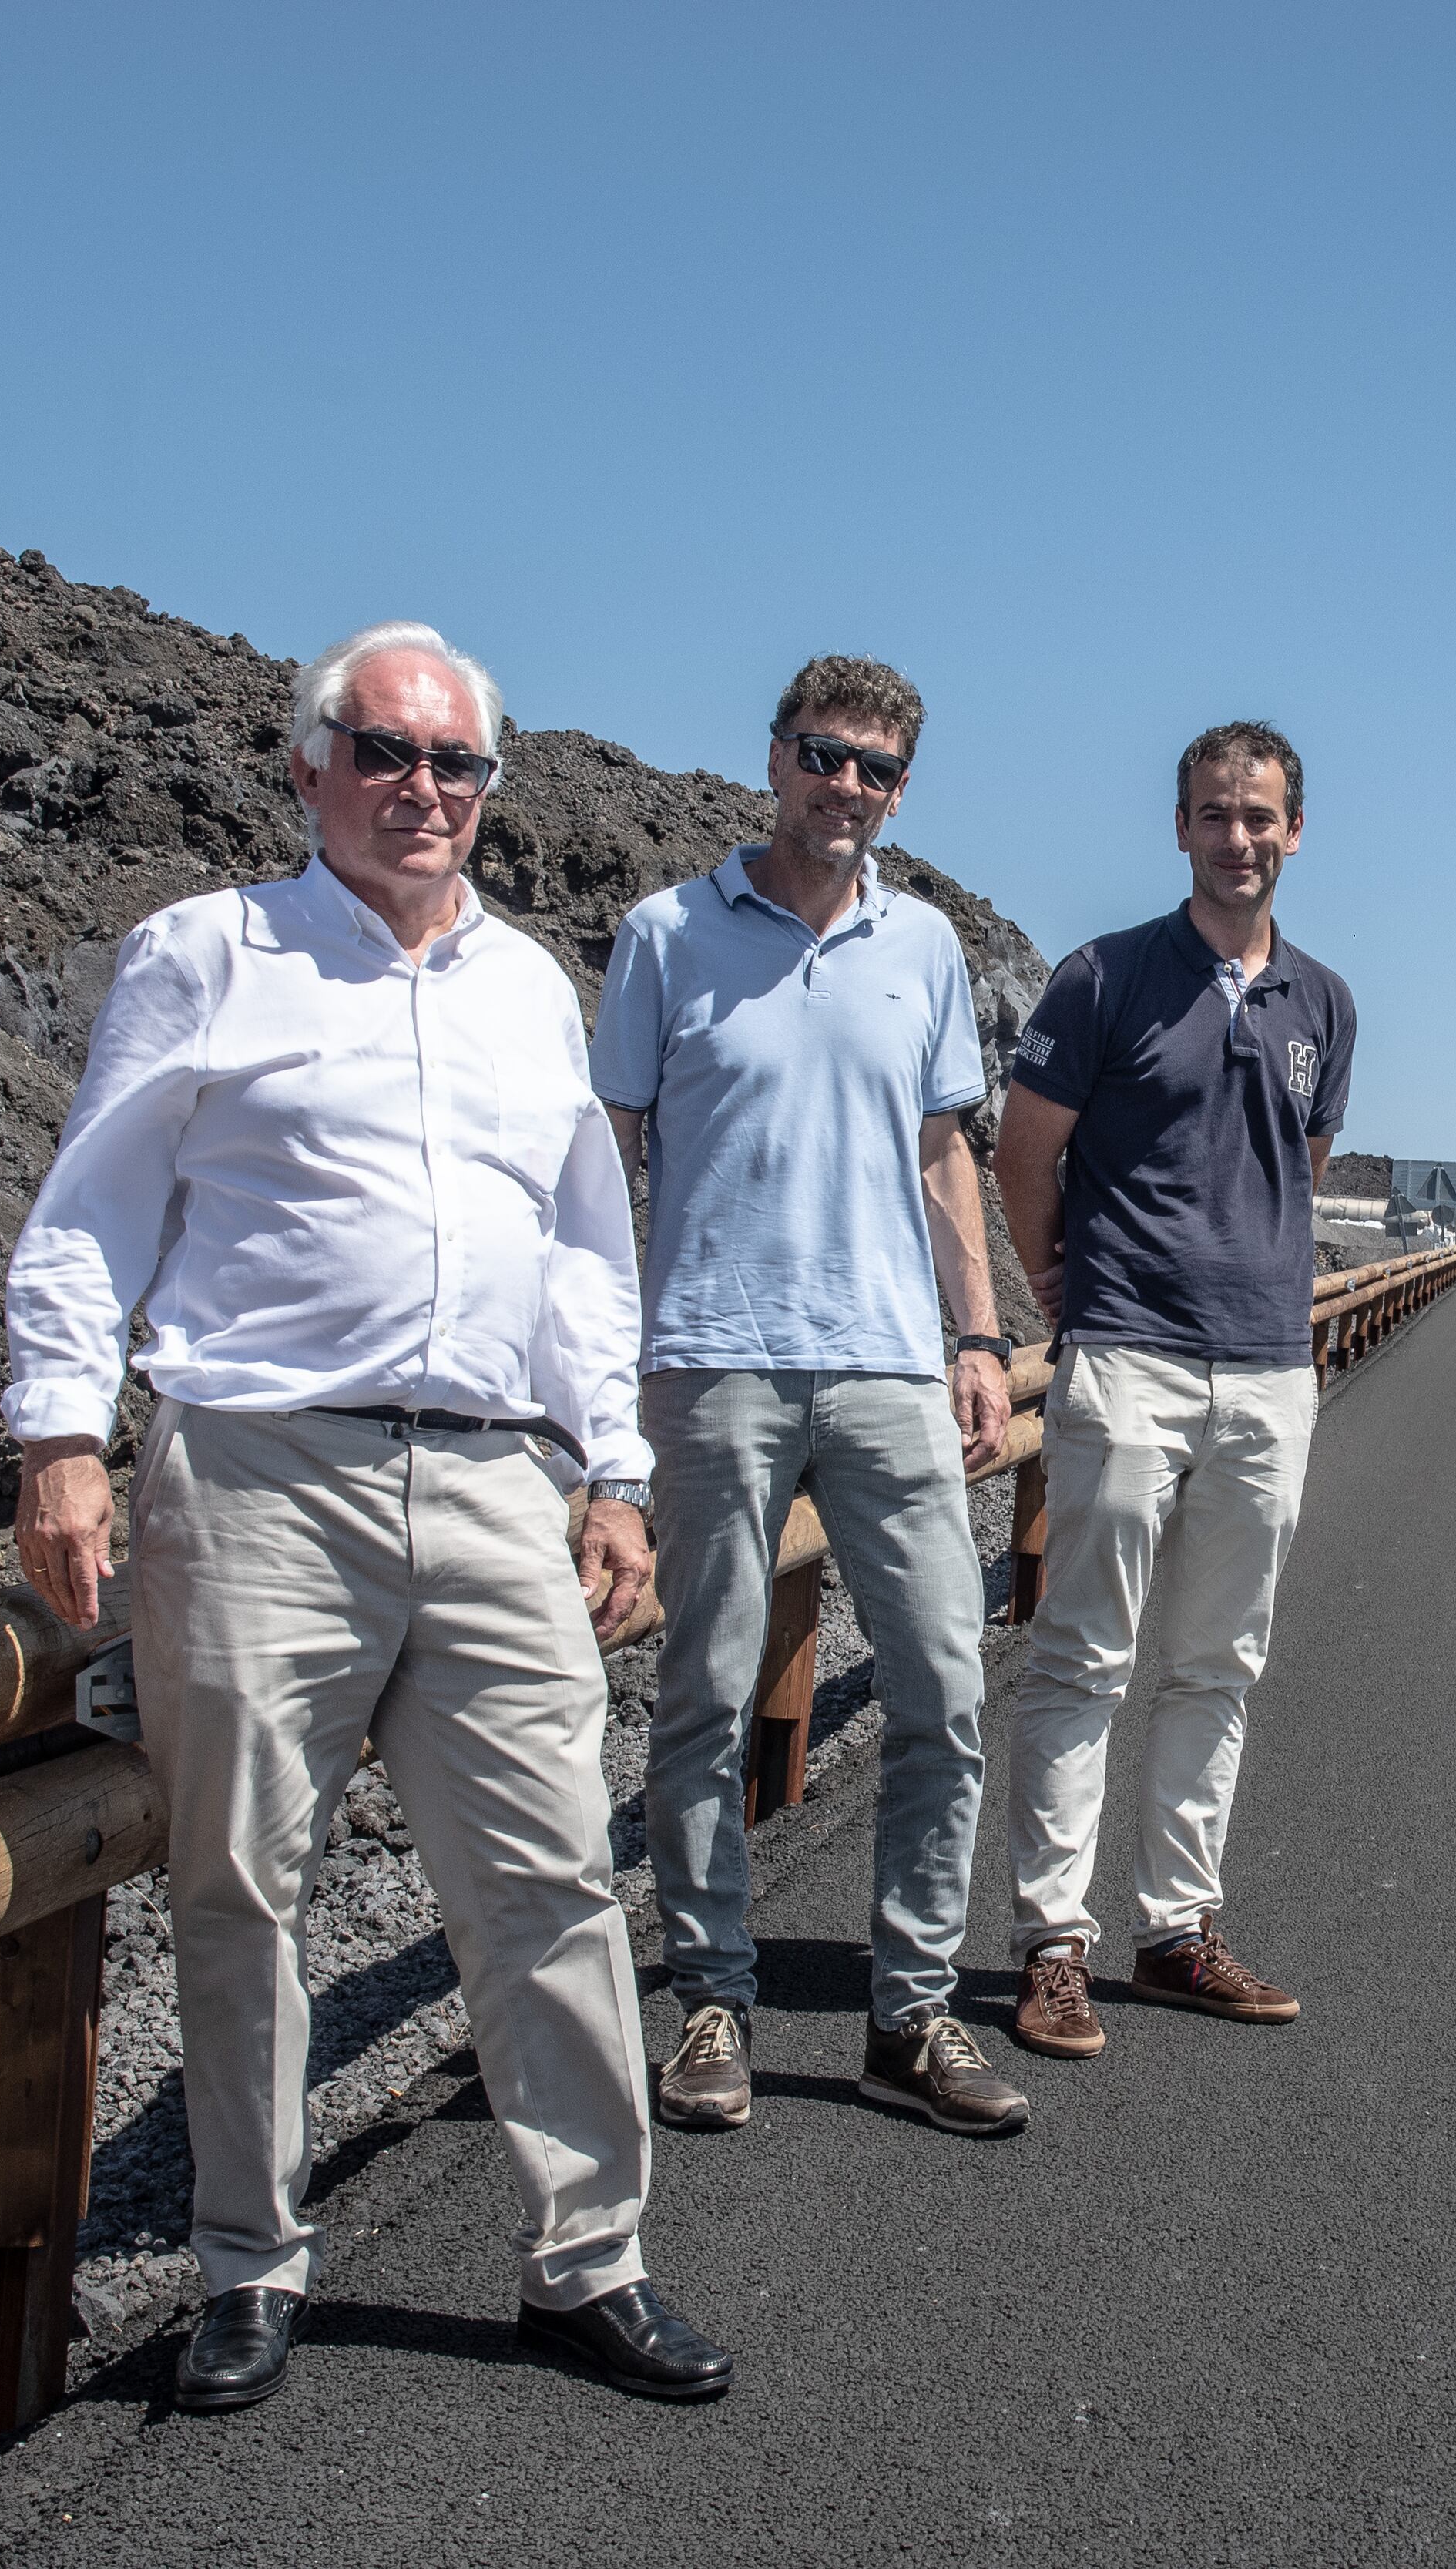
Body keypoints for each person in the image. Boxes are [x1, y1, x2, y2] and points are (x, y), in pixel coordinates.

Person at [3, 620, 729, 2413]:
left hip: (493, 1476)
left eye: (456, 762)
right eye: (387, 753)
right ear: (311, 765)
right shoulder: (208, 953)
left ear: (492, 784)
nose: (425, 789)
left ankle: (592, 2256)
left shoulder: (529, 988)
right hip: (261, 1469)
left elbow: (580, 1247)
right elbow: (90, 1210)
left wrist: (615, 1469)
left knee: (553, 1871)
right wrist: (59, 1433)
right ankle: (251, 2260)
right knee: (246, 1876)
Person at [591, 654, 1030, 2138]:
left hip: (893, 1359)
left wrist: (980, 1336)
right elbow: (606, 1160)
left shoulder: (928, 946)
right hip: (713, 1360)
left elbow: (945, 1152)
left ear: (903, 787)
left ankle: (909, 2014)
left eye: (879, 769)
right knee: (702, 1692)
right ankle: (711, 1991)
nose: (848, 787)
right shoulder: (666, 933)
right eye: (825, 756)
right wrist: (597, 1378)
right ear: (774, 757)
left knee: (946, 1690)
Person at [988, 720, 1355, 2060]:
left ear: (1294, 829)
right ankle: (1053, 1944)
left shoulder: (1324, 1002)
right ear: (1182, 829)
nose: (1237, 837)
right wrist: (1061, 1292)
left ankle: (1177, 1929)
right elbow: (1028, 1153)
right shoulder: (1104, 979)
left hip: (1265, 1371)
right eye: (1212, 814)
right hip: (1129, 1355)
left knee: (1219, 1663)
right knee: (1084, 1653)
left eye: (1258, 816)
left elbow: (1302, 1166)